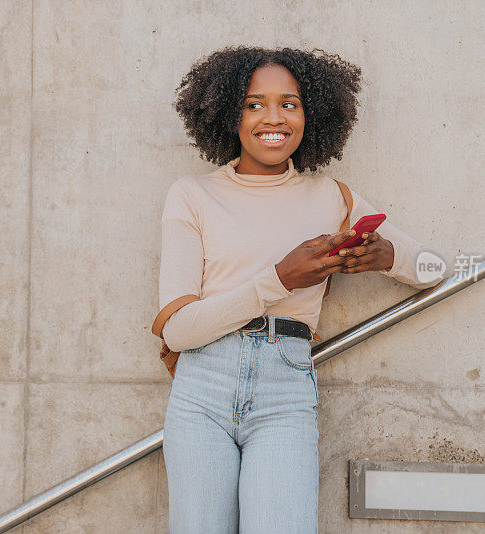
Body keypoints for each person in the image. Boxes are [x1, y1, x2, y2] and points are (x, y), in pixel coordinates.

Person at [153, 46, 442, 534]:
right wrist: (281, 279)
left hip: (284, 389)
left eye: (290, 103)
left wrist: (388, 256)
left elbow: (433, 268)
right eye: (253, 104)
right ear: (228, 113)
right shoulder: (192, 194)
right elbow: (179, 330)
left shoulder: (331, 196)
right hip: (201, 387)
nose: (274, 118)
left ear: (312, 114)